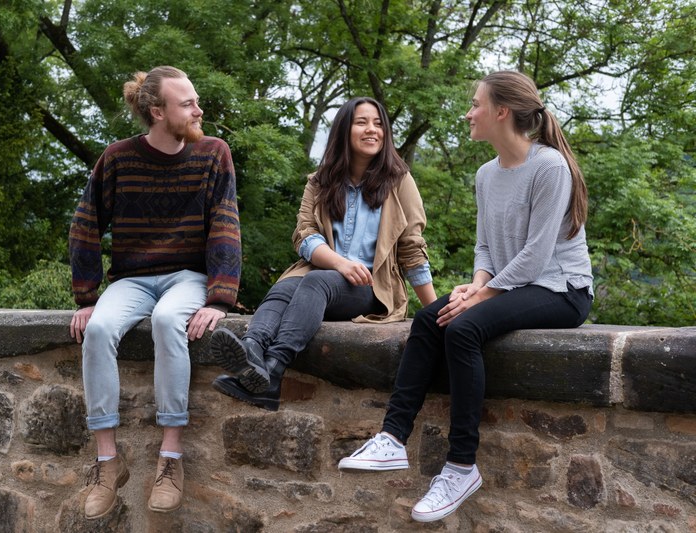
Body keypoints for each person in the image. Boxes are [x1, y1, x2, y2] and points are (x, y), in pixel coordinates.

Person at [338, 70, 594, 523]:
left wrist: (479, 298)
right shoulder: (485, 174)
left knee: (463, 328)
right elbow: (486, 248)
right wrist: (477, 284)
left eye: (475, 104)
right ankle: (393, 439)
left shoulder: (549, 167)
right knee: (428, 320)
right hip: (513, 283)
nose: (468, 112)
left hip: (562, 289)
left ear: (501, 112)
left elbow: (535, 258)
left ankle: (460, 467)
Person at [68, 66, 241, 519]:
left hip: (188, 276)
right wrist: (87, 300)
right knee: (100, 329)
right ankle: (108, 462)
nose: (198, 109)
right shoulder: (118, 158)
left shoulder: (213, 153)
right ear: (157, 111)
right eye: (188, 104)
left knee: (168, 322)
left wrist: (220, 298)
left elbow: (225, 225)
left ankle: (171, 457)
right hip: (132, 278)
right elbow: (85, 225)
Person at [208, 96, 437, 412]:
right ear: (344, 130)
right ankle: (251, 352)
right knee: (286, 285)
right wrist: (340, 263)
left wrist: (436, 313)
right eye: (361, 122)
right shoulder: (320, 181)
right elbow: (304, 236)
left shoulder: (399, 181)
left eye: (378, 123)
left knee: (316, 282)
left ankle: (273, 372)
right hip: (321, 276)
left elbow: (413, 249)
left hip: (371, 287)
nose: (372, 130)